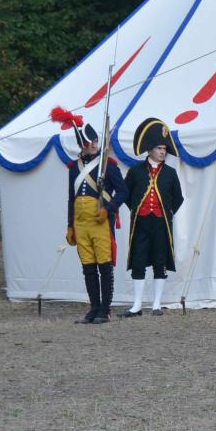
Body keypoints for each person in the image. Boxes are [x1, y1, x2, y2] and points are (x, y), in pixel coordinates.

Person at [52, 107, 127, 324]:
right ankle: (94, 308)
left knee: (104, 266)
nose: (94, 144)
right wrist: (70, 225)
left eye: (95, 141)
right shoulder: (74, 168)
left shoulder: (107, 165)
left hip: (100, 222)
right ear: (82, 144)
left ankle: (105, 309)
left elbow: (123, 192)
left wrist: (108, 209)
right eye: (89, 142)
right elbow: (71, 198)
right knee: (88, 267)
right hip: (81, 223)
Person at [119, 118, 184, 317]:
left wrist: (166, 211)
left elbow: (178, 198)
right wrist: (137, 209)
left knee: (159, 260)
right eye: (159, 148)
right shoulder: (135, 171)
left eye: (164, 148)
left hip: (161, 223)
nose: (163, 152)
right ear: (150, 149)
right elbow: (126, 194)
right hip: (141, 223)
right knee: (138, 260)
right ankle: (137, 305)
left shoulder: (171, 173)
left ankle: (156, 304)